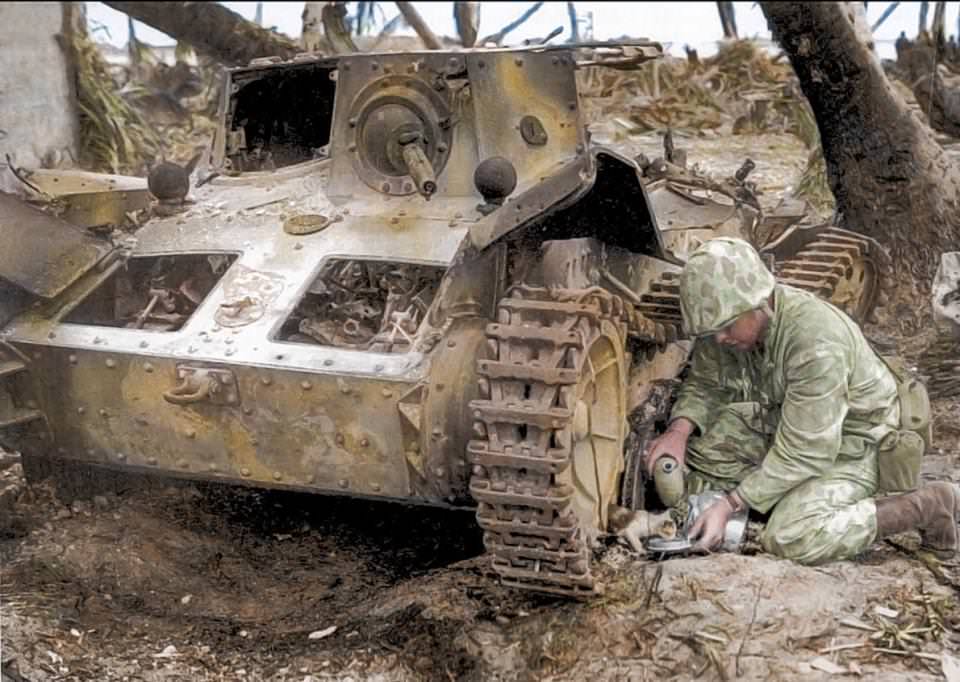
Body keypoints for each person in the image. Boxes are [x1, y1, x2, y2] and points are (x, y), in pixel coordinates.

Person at [643, 237, 959, 564]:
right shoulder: (732, 321)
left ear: (760, 301)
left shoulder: (815, 341)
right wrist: (678, 432)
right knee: (691, 465)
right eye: (711, 332)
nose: (719, 339)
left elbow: (806, 452)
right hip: (792, 421)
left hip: (856, 441)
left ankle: (928, 504)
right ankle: (760, 505)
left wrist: (730, 504)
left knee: (792, 536)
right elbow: (707, 383)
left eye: (725, 328)